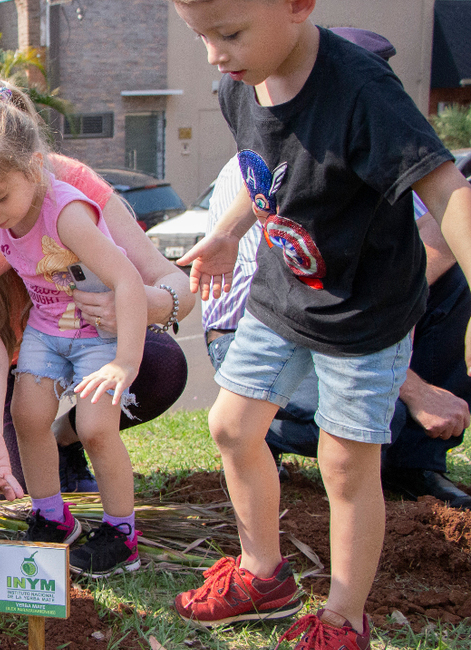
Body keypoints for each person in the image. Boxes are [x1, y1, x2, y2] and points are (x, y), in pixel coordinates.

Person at [172, 1, 471, 648]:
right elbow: (272, 181)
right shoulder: (241, 83)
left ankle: (344, 617)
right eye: (200, 36)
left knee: (344, 463)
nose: (214, 56)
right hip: (283, 296)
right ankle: (263, 576)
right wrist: (225, 234)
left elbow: (448, 190)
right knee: (230, 426)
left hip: (366, 312)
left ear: (298, 5)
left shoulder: (362, 91)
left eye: (228, 34)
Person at [0, 77, 194, 528]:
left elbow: (165, 279)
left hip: (65, 334)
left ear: (24, 158)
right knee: (6, 478)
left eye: (0, 196)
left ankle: (69, 442)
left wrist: (149, 305)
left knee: (159, 365)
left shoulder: (66, 191)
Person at [203, 156, 471, 509]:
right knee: (380, 414)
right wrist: (413, 390)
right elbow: (312, 298)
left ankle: (415, 464)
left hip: (347, 327)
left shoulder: (396, 154)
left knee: (452, 282)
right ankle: (256, 433)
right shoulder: (295, 159)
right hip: (257, 334)